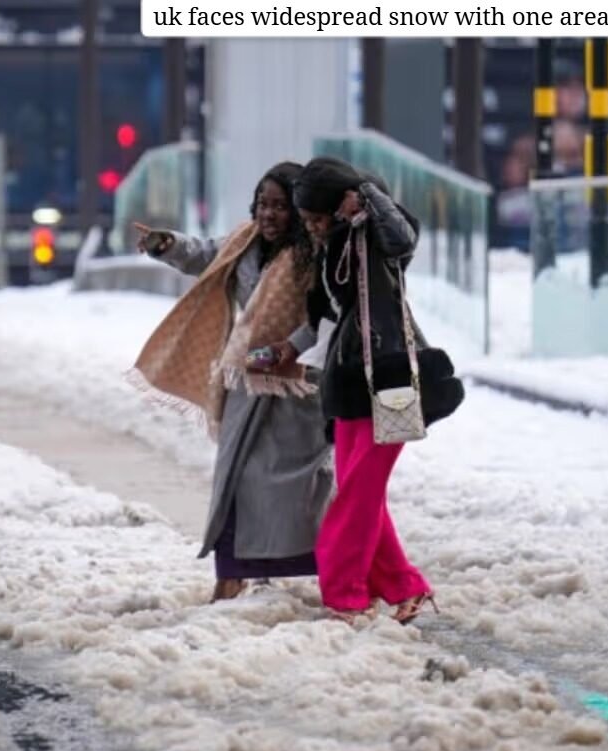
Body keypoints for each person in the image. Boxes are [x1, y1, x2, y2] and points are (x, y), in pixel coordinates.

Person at [131, 162, 333, 603]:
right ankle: (231, 576)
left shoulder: (317, 253)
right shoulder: (245, 242)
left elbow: (328, 314)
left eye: (280, 206)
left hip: (298, 389)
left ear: (299, 210)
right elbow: (205, 253)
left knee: (294, 490)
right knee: (235, 480)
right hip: (247, 379)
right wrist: (167, 244)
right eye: (262, 204)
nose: (268, 214)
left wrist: (291, 347)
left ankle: (327, 568)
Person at [295, 157, 464, 625]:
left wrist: (367, 196)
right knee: (359, 492)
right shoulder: (335, 244)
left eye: (316, 218)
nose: (312, 227)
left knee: (356, 497)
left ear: (338, 205)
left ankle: (345, 594)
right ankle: (406, 587)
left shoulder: (373, 232)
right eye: (307, 220)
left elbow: (404, 237)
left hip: (389, 378)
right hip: (351, 379)